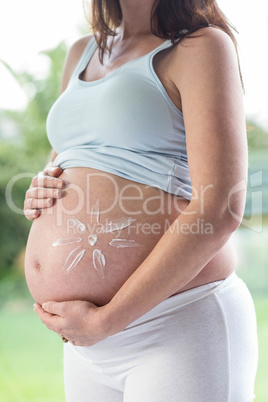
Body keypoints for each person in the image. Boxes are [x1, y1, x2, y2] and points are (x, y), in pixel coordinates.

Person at [24, 0, 259, 400]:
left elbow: (220, 208)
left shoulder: (202, 47)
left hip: (177, 322)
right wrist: (42, 187)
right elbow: (68, 160)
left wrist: (107, 320)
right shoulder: (82, 51)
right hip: (89, 343)